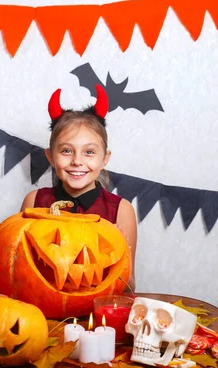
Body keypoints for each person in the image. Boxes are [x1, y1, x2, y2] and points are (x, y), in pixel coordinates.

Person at [20, 85, 138, 290]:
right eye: (66, 151)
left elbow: (128, 286)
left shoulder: (121, 210)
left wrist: (120, 253)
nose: (77, 161)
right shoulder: (34, 202)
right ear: (50, 156)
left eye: (89, 152)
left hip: (97, 313)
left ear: (105, 159)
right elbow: (21, 267)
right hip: (43, 309)